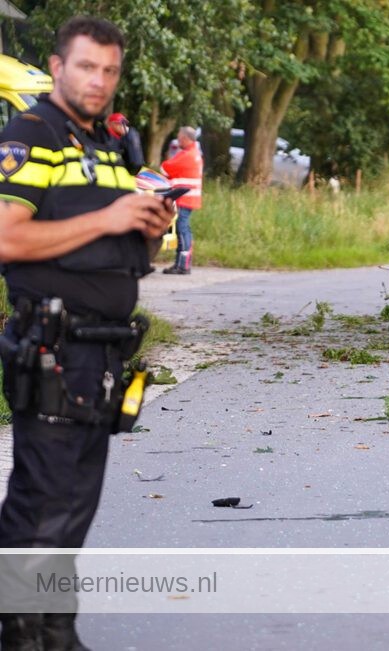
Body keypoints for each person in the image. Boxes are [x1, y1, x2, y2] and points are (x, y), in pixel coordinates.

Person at [0, 16, 173, 649]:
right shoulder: (31, 133)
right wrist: (110, 215)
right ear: (56, 67)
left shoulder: (105, 146)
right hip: (51, 345)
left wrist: (145, 229)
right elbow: (7, 236)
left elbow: (114, 248)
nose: (98, 81)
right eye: (86, 67)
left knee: (76, 505)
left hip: (103, 349)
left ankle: (55, 631)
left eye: (109, 70)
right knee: (42, 502)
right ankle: (21, 636)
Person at [160, 125, 203, 274]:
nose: (178, 140)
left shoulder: (186, 155)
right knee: (184, 228)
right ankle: (182, 263)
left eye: (179, 137)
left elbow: (165, 168)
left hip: (183, 197)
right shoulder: (194, 153)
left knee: (182, 229)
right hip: (189, 198)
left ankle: (182, 265)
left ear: (185, 138)